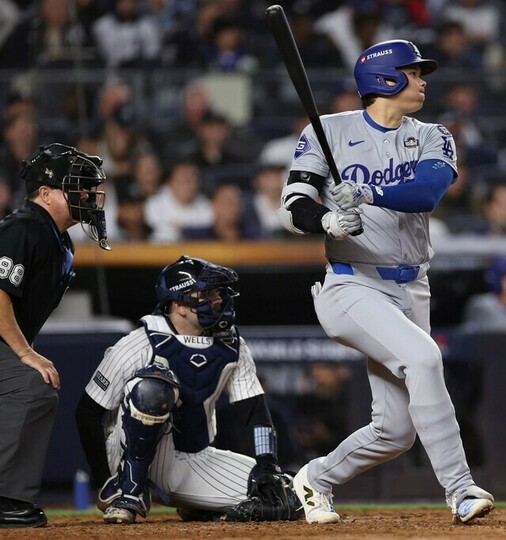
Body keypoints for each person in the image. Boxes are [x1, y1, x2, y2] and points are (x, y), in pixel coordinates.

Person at [276, 39, 494, 525]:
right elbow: (292, 205)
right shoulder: (328, 130)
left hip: (413, 286)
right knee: (425, 357)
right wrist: (327, 221)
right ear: (385, 79)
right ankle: (460, 489)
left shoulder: (433, 134)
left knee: (396, 431)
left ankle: (315, 478)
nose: (422, 80)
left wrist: (368, 192)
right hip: (351, 284)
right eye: (413, 72)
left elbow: (428, 191)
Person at [74, 256, 303, 525]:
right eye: (207, 294)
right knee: (152, 389)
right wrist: (103, 480)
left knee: (287, 497)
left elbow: (255, 413)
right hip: (124, 456)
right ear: (179, 305)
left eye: (218, 292)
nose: (218, 300)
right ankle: (129, 493)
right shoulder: (138, 343)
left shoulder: (233, 345)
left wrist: (266, 464)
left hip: (191, 458)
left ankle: (197, 506)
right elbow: (87, 413)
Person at [0, 143, 108, 528]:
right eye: (76, 188)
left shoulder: (58, 240)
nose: (87, 196)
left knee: (31, 382)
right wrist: (25, 353)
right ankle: (5, 497)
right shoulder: (23, 227)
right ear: (45, 193)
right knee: (32, 385)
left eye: (88, 188)